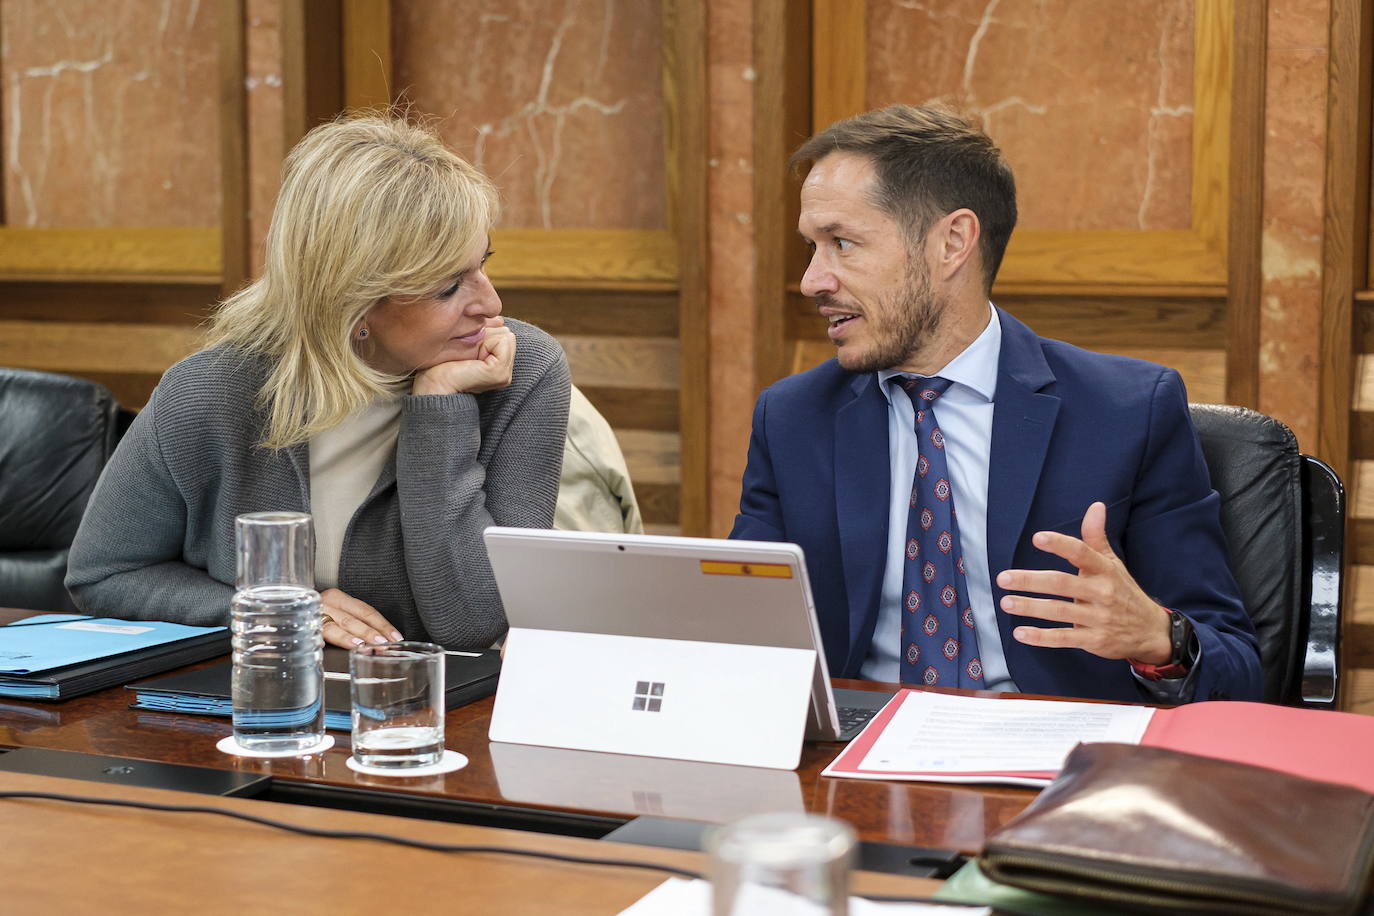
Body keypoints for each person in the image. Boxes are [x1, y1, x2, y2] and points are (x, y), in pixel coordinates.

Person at [731, 105, 1262, 703]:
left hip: (1052, 758)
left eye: (842, 244)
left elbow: (1237, 666)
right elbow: (740, 633)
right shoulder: (794, 418)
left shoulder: (1128, 412)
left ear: (952, 242)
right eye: (812, 246)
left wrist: (1158, 638)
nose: (812, 280)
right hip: (853, 752)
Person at [66, 114, 571, 651]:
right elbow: (103, 576)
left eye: (483, 264)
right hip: (255, 704)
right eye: (448, 287)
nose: (490, 304)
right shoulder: (210, 392)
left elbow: (475, 621)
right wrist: (274, 611)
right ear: (354, 302)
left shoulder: (525, 373)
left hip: (427, 708)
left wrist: (440, 408)